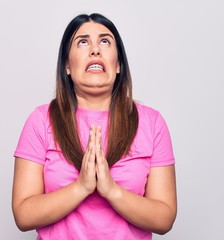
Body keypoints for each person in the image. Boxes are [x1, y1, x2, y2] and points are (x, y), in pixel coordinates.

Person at [12, 13, 177, 240]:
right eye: (82, 42)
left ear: (118, 64)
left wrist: (112, 191)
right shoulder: (40, 121)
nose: (95, 50)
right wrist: (81, 187)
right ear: (67, 66)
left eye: (105, 41)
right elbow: (23, 215)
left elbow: (164, 218)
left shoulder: (152, 123)